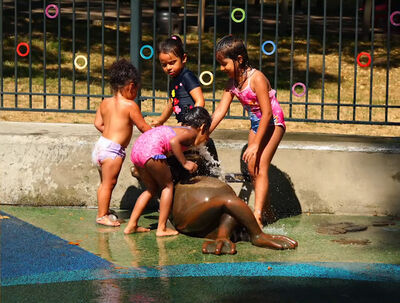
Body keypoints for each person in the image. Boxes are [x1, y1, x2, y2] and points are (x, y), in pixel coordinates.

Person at [210, 35, 286, 228]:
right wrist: (203, 133)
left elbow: (267, 113)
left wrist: (255, 145)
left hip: (273, 122)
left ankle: (258, 215)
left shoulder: (257, 79)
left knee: (260, 165)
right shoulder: (233, 84)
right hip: (256, 124)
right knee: (252, 169)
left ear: (240, 59)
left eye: (224, 64)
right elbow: (220, 111)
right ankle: (268, 211)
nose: (221, 69)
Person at [124, 107, 211, 237]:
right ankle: (162, 228)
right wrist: (185, 163)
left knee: (151, 189)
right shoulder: (191, 132)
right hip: (152, 151)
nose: (207, 138)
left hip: (138, 150)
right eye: (207, 134)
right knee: (167, 186)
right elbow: (173, 141)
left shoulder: (180, 129)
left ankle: (131, 225)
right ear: (203, 127)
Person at [92, 59, 152, 227]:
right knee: (108, 184)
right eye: (136, 90)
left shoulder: (105, 102)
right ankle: (102, 215)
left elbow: (98, 123)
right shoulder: (130, 106)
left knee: (104, 183)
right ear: (131, 86)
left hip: (100, 146)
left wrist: (110, 134)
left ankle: (104, 211)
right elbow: (142, 126)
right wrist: (156, 133)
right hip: (112, 151)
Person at [151, 35, 205, 126]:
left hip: (195, 125)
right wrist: (160, 120)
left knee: (174, 140)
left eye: (172, 63)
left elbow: (200, 101)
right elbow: (172, 103)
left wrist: (190, 122)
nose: (168, 67)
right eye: (164, 65)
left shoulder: (187, 76)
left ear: (183, 58)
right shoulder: (174, 80)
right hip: (185, 124)